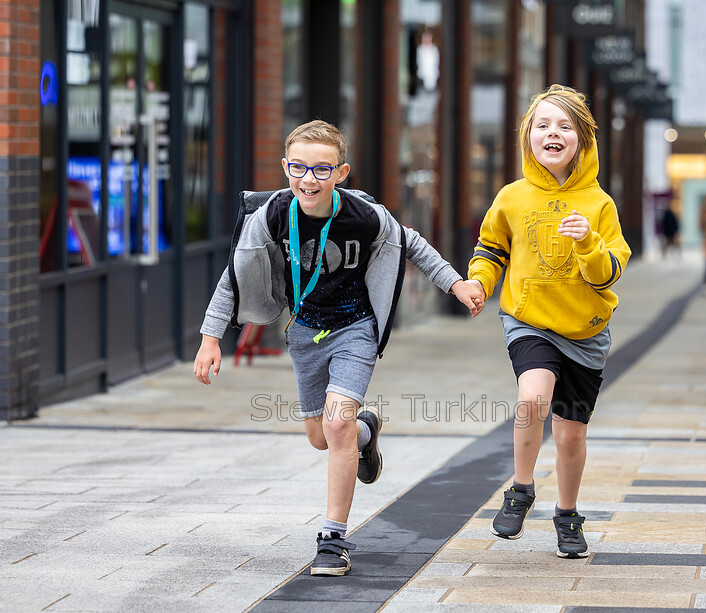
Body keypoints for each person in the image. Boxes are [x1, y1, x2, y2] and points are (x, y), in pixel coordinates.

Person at [193, 120, 485, 577]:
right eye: (299, 167)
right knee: (321, 437)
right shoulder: (271, 215)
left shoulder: (364, 217)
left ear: (341, 172)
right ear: (286, 167)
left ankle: (332, 540)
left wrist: (455, 283)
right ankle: (366, 433)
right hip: (305, 333)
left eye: (322, 169)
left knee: (336, 424)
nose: (309, 179)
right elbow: (234, 273)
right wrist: (211, 338)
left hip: (355, 330)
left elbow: (414, 244)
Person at [467, 85, 631, 558]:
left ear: (582, 139)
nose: (552, 133)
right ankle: (520, 489)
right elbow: (491, 247)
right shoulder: (512, 197)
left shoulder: (599, 205)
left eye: (564, 126)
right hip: (529, 320)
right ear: (528, 137)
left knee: (569, 433)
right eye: (542, 125)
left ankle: (567, 514)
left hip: (585, 331)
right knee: (532, 398)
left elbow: (608, 275)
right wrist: (480, 281)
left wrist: (588, 244)